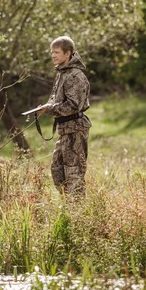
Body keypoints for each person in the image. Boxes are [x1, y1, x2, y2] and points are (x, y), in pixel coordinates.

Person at [37, 36, 91, 197]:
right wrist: (46, 107)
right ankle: (69, 206)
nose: (53, 55)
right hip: (64, 130)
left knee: (74, 173)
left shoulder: (75, 75)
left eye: (56, 52)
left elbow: (74, 106)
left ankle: (78, 213)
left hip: (75, 129)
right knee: (57, 170)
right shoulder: (62, 72)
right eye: (52, 52)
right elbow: (57, 99)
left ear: (67, 53)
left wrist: (51, 109)